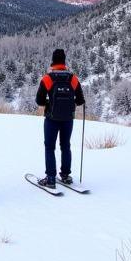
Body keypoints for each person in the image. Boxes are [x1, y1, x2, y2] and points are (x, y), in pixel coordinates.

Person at [34, 48, 85, 188]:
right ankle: (66, 176)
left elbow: (39, 101)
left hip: (51, 118)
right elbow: (80, 100)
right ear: (64, 61)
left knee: (50, 147)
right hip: (68, 118)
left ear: (52, 61)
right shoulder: (73, 78)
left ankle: (51, 178)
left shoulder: (47, 78)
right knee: (65, 146)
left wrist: (50, 104)